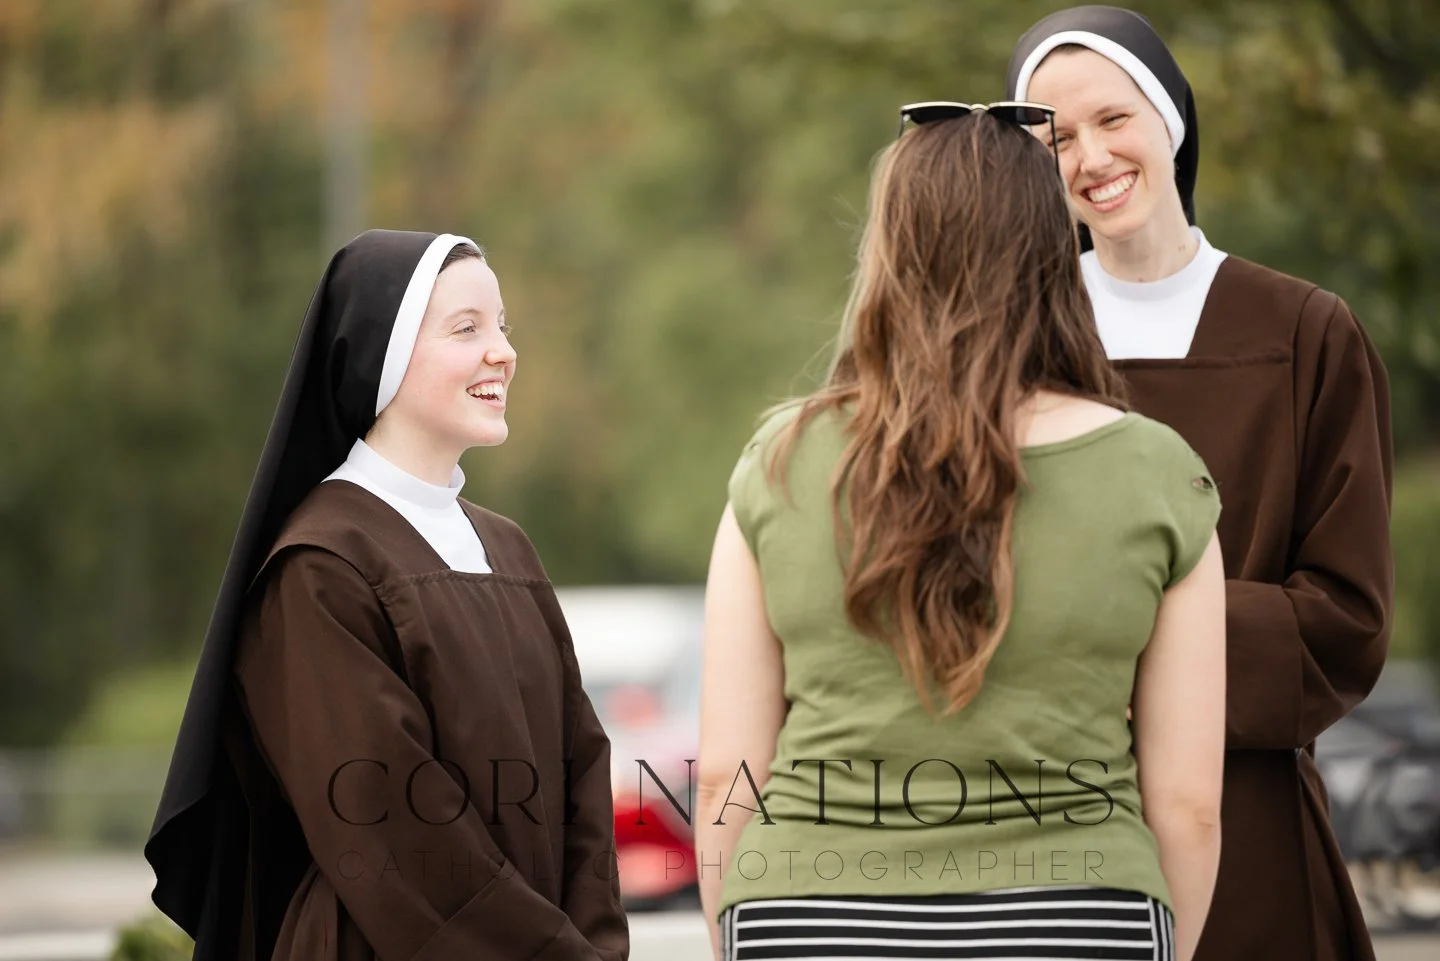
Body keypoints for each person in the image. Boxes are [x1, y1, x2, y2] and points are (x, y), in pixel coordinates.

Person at [696, 104, 1225, 961]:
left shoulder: (781, 463)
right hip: (1080, 917)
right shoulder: (1160, 476)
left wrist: (741, 933)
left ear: (889, 255)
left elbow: (726, 774)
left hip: (806, 913)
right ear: (1056, 252)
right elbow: (1189, 804)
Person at [1006, 6, 1394, 960]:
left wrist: (1132, 633)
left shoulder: (1306, 331)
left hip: (1253, 820)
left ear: (1170, 118)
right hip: (1051, 829)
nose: (1090, 156)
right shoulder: (1011, 341)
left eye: (1113, 118)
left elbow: (1346, 617)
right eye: (1054, 136)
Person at [144, 230, 629, 961]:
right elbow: (395, 831)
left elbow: (583, 777)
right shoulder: (321, 564)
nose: (502, 350)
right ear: (383, 355)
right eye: (467, 328)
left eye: (503, 325)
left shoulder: (509, 550)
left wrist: (594, 946)